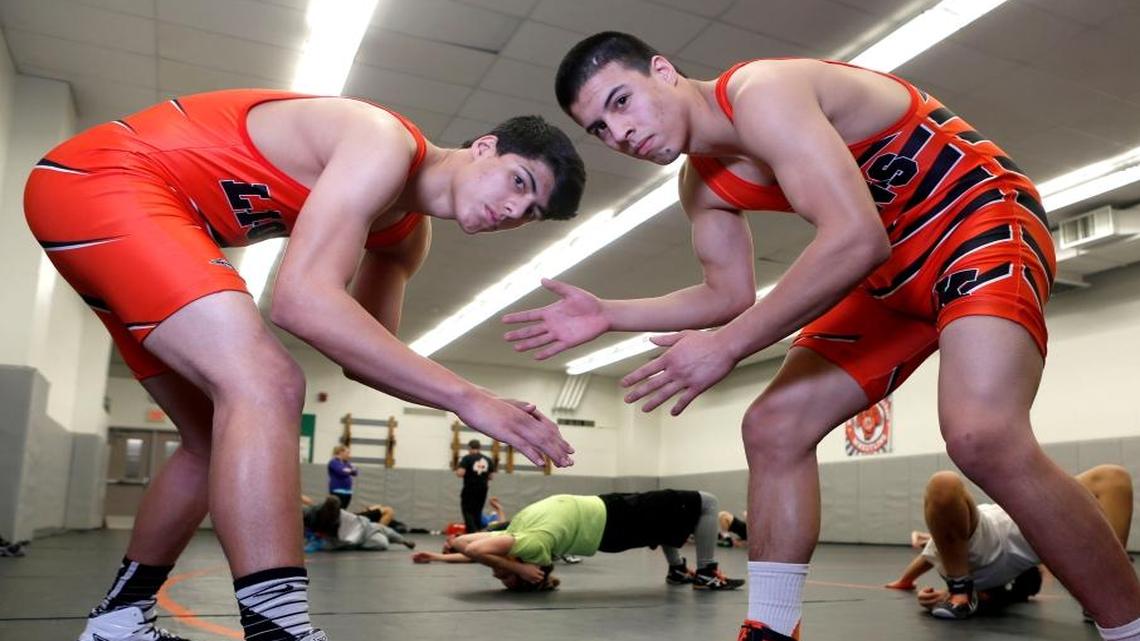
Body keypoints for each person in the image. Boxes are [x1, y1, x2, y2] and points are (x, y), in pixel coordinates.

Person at [501, 31, 1140, 640]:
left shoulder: (762, 92)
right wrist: (611, 313)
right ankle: (772, 628)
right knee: (773, 426)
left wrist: (725, 347)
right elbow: (728, 295)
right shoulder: (702, 185)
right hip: (887, 273)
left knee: (982, 435)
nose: (622, 133)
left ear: (663, 72)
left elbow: (855, 238)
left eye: (622, 102)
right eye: (601, 130)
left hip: (975, 222)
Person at [24, 88, 584, 641]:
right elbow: (302, 302)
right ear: (484, 147)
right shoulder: (383, 141)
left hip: (121, 217)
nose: (514, 210)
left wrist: (473, 398)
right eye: (520, 181)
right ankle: (280, 631)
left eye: (530, 213)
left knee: (212, 440)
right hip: (105, 179)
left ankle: (119, 620)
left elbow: (365, 356)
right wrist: (469, 400)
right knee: (266, 381)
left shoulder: (405, 239)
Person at [885, 464, 1134, 620]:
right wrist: (907, 581)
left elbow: (927, 557)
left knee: (1114, 478)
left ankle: (960, 591)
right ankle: (1107, 592)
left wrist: (904, 581)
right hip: (1004, 541)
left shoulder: (971, 533)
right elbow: (930, 553)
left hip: (1002, 542)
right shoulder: (994, 531)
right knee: (1113, 479)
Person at [445, 489, 744, 592]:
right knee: (705, 502)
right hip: (613, 520)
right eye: (505, 577)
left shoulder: (514, 534)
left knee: (669, 517)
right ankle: (706, 573)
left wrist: (438, 557)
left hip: (608, 515)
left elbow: (461, 544)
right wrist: (522, 570)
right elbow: (473, 549)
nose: (495, 574)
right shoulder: (532, 546)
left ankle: (677, 569)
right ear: (520, 567)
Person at [301, 495, 414, 552]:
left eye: (333, 513)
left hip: (362, 532)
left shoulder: (344, 520)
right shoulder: (313, 512)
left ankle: (403, 541)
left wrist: (403, 541)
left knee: (382, 541)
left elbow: (345, 541)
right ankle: (402, 540)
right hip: (337, 536)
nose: (330, 515)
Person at [456, 439, 496, 534]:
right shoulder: (488, 459)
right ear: (479, 448)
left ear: (470, 448)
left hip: (470, 488)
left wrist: (457, 471)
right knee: (478, 511)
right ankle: (477, 531)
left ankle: (472, 532)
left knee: (467, 511)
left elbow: (460, 473)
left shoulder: (467, 458)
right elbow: (491, 477)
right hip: (482, 489)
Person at [327, 445, 358, 509]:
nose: (349, 455)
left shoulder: (347, 463)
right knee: (336, 510)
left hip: (348, 491)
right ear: (341, 453)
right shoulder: (333, 462)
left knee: (343, 511)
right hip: (337, 491)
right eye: (347, 453)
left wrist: (348, 470)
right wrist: (349, 470)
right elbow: (341, 471)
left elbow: (355, 472)